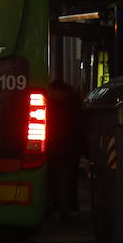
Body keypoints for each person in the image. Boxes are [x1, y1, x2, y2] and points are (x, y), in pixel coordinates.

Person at [47, 80, 84, 220]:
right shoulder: (75, 106)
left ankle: (58, 206)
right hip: (70, 148)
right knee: (69, 179)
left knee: (55, 179)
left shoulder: (53, 106)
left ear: (58, 92)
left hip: (56, 147)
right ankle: (70, 206)